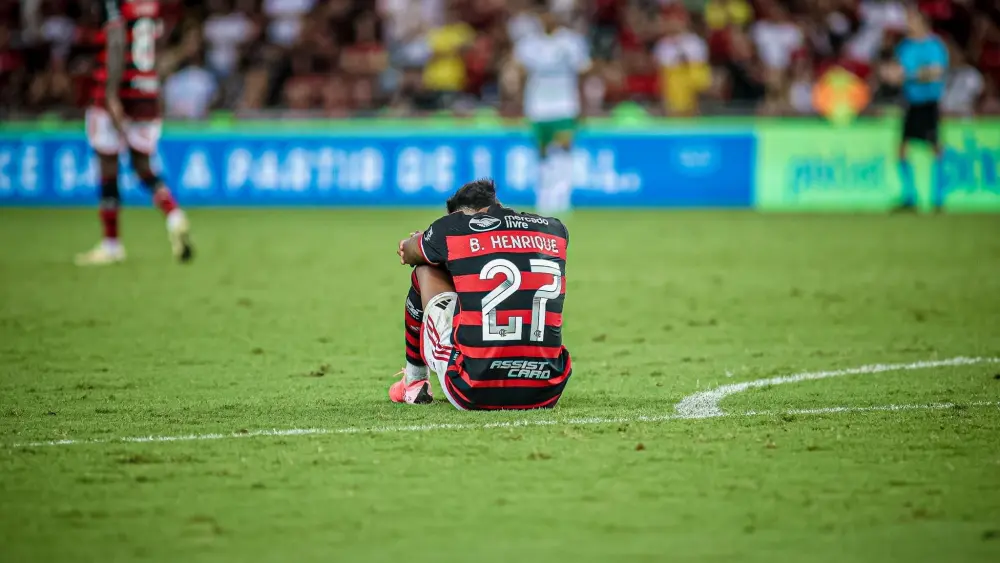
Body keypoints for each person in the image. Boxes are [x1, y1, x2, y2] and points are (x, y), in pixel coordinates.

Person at [391, 179, 572, 410]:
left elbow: (408, 251)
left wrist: (419, 240)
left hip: (472, 389)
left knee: (426, 269)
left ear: (463, 213)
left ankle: (414, 382)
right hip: (547, 389)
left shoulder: (451, 227)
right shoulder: (556, 229)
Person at [76, 0, 193, 266]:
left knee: (108, 164)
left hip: (119, 89)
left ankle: (111, 243)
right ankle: (173, 214)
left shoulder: (116, 3)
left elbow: (116, 40)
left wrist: (111, 94)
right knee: (143, 166)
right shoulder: (151, 5)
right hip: (146, 91)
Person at [513, 7, 591, 215]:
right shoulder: (528, 45)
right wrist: (518, 105)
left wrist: (584, 105)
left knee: (564, 150)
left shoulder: (572, 42)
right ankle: (544, 199)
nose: (546, 19)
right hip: (537, 107)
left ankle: (563, 199)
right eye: (543, 14)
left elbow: (583, 74)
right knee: (542, 153)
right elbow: (519, 76)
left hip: (565, 105)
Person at [881, 7, 948, 211]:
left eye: (912, 20)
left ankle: (938, 198)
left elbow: (936, 72)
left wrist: (909, 75)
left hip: (929, 103)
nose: (908, 25)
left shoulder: (934, 45)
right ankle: (910, 197)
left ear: (922, 23)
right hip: (911, 103)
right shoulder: (905, 47)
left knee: (936, 149)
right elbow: (895, 72)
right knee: (902, 149)